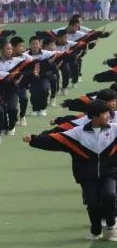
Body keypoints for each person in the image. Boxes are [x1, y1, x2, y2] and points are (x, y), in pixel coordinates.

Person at [25, 100, 117, 240]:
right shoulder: (78, 133)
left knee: (109, 195)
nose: (108, 116)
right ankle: (96, 230)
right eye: (104, 113)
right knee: (92, 203)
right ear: (94, 116)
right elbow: (56, 139)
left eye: (108, 112)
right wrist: (34, 140)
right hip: (87, 176)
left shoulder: (114, 129)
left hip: (110, 173)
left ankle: (112, 226)